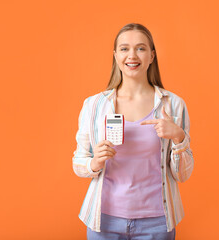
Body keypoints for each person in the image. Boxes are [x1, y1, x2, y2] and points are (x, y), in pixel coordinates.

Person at [72, 22, 194, 240]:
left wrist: (179, 137)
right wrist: (94, 163)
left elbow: (183, 175)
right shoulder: (94, 105)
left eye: (141, 48)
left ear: (152, 56)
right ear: (116, 56)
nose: (132, 55)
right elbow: (78, 162)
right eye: (124, 48)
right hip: (104, 220)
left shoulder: (173, 105)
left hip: (157, 222)